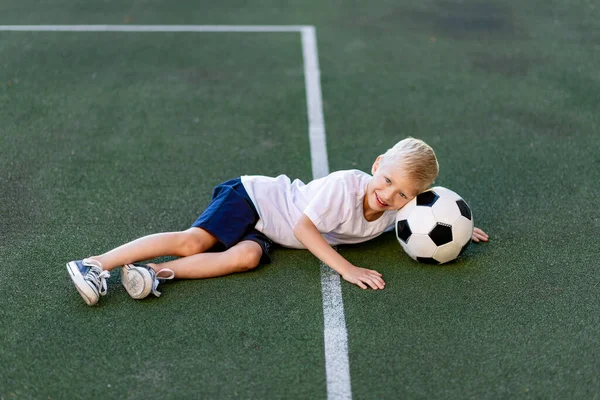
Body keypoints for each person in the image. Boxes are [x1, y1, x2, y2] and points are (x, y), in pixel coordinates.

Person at [66, 137, 489, 306]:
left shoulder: (401, 210)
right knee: (194, 241)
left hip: (270, 232)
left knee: (248, 257)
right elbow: (306, 229)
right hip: (258, 198)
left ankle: (151, 273)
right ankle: (95, 264)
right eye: (387, 180)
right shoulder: (344, 187)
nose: (389, 195)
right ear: (376, 165)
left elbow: (429, 209)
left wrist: (458, 228)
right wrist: (347, 268)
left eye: (403, 195)